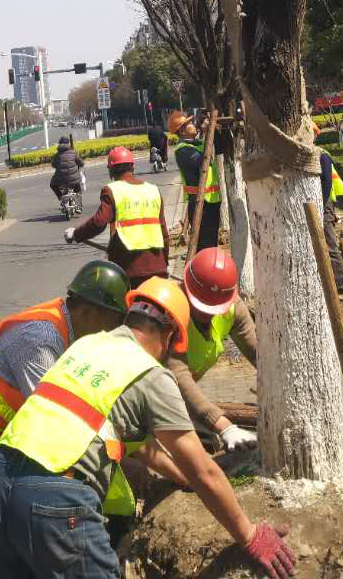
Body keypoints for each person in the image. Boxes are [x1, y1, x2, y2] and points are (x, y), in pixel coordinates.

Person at [0, 276, 297, 579]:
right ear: (170, 335)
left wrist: (178, 477)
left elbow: (137, 444)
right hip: (56, 498)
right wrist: (250, 535)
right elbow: (204, 472)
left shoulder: (86, 348)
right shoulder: (149, 375)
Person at [0, 259, 129, 578]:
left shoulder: (69, 329)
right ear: (88, 309)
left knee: (8, 534)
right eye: (111, 321)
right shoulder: (40, 340)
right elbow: (59, 416)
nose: (111, 332)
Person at [166, 247, 258, 451]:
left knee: (207, 444)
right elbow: (177, 374)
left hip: (178, 398)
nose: (207, 313)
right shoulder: (169, 310)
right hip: (150, 396)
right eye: (201, 305)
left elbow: (258, 354)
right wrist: (223, 425)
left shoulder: (232, 308)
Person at [64, 146, 169, 282]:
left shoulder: (112, 190)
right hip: (157, 267)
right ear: (132, 167)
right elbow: (164, 232)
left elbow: (98, 222)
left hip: (128, 270)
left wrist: (76, 233)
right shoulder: (153, 190)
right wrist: (164, 262)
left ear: (111, 171)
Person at [171, 116, 221, 252]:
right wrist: (206, 132)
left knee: (211, 243)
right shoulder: (182, 150)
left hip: (212, 200)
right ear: (182, 131)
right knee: (203, 245)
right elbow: (201, 159)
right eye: (190, 123)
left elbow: (218, 148)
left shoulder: (197, 143)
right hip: (199, 202)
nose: (194, 125)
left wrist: (214, 130)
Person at [315, 129, 343, 300]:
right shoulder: (311, 154)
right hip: (320, 206)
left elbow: (326, 184)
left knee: (330, 247)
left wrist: (319, 205)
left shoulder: (322, 156)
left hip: (323, 206)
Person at [50, 134, 85, 203]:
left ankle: (61, 197)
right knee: (78, 188)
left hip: (60, 180)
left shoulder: (57, 155)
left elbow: (53, 165)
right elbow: (81, 163)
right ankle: (79, 206)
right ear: (68, 143)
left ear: (59, 144)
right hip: (74, 180)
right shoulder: (73, 152)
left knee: (52, 184)